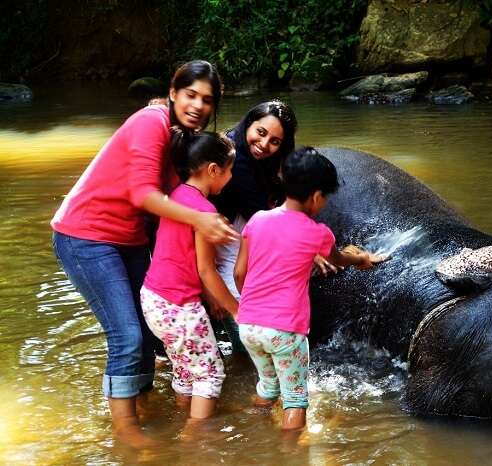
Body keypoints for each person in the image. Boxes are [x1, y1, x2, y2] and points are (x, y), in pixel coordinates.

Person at [50, 60, 236, 448]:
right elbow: (144, 195)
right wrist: (202, 222)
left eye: (207, 100)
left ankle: (143, 405)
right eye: (190, 95)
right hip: (85, 235)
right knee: (128, 335)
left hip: (129, 239)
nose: (198, 106)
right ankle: (126, 431)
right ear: (173, 92)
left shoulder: (181, 138)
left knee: (149, 335)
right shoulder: (151, 122)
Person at [234, 147, 386, 431]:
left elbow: (239, 273)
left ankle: (254, 433)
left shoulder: (257, 220)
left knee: (268, 386)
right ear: (317, 197)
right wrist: (362, 259)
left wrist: (252, 306)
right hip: (285, 330)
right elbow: (337, 258)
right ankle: (290, 455)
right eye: (325, 198)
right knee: (295, 400)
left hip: (249, 325)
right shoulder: (318, 233)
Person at [211, 101, 329, 347]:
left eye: (275, 141)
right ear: (249, 123)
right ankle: (244, 344)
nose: (264, 145)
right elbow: (258, 212)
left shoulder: (265, 159)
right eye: (261, 133)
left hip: (242, 219)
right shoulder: (235, 155)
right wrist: (308, 244)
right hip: (220, 229)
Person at [140, 131, 238, 422]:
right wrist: (238, 310)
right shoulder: (205, 211)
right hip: (179, 306)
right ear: (213, 170)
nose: (231, 178)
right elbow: (207, 271)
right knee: (211, 374)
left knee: (186, 370)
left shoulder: (176, 195)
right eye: (230, 171)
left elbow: (186, 259)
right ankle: (195, 443)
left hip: (154, 300)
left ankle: (182, 417)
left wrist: (210, 298)